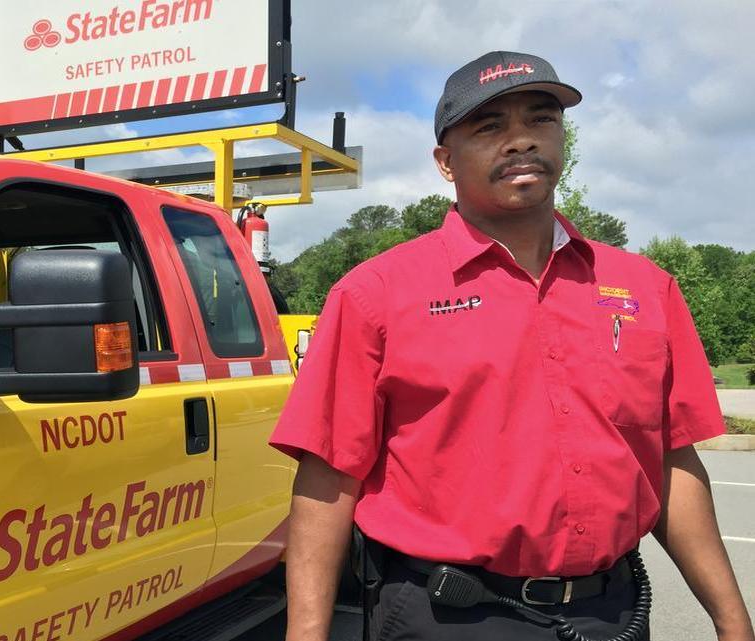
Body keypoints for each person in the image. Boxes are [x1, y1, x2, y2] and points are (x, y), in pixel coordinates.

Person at [270, 51, 754, 641]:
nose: (521, 140)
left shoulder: (647, 288)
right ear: (446, 162)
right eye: (490, 126)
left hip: (612, 611)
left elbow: (671, 460)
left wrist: (733, 622)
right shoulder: (375, 295)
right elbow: (329, 478)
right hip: (447, 615)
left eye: (541, 119)